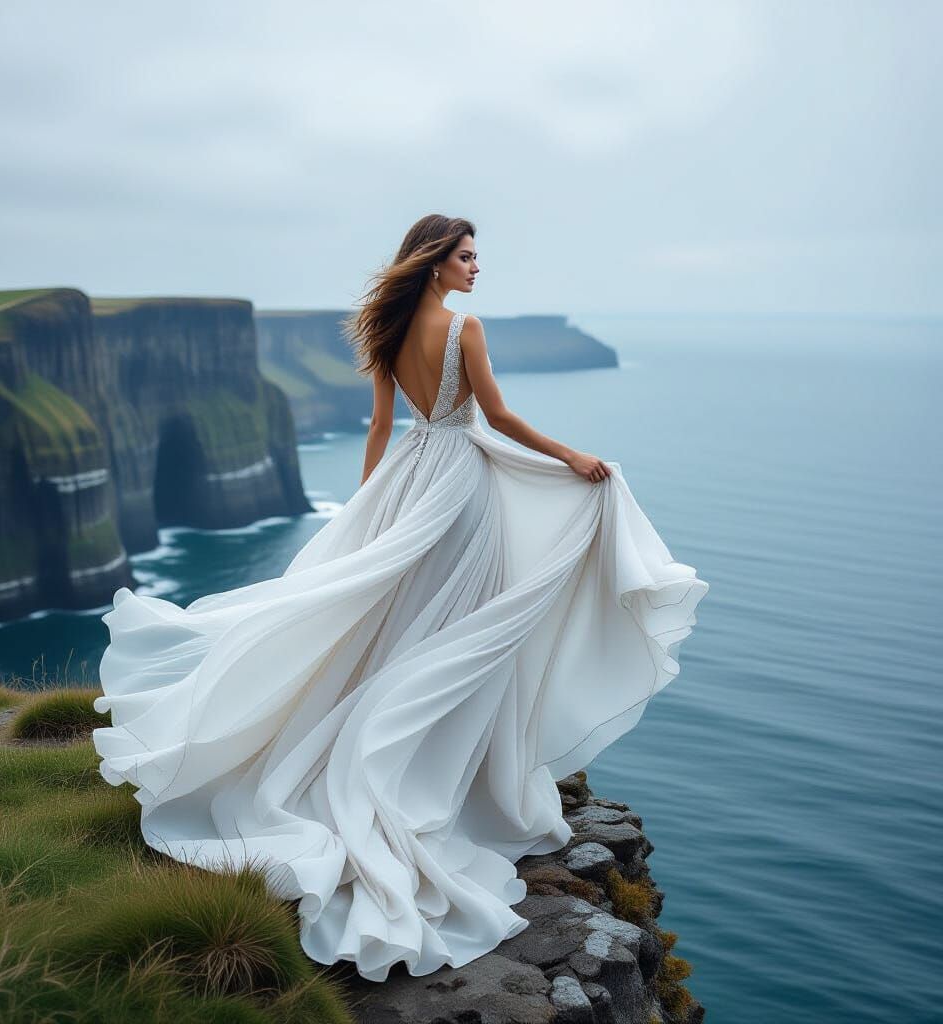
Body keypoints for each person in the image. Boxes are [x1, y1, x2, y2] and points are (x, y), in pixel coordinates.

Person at [92, 214, 709, 984]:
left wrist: (365, 512)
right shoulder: (464, 329)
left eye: (477, 257)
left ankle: (401, 751)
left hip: (409, 481)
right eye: (467, 256)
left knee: (402, 623)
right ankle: (431, 775)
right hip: (459, 491)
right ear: (436, 261)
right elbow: (499, 418)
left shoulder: (385, 331)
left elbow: (382, 427)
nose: (477, 269)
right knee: (462, 630)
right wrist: (573, 455)